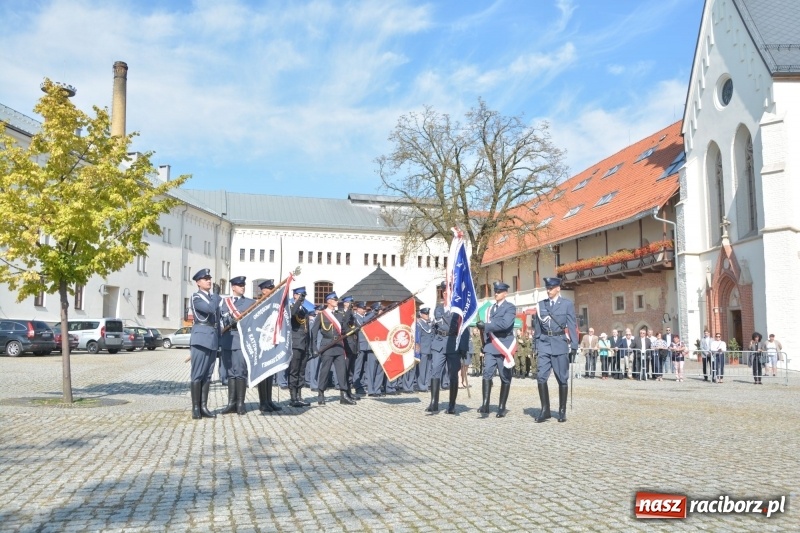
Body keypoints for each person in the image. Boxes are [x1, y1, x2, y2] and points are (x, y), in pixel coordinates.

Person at [532, 277, 578, 423]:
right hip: (544, 343)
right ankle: (545, 410)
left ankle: (562, 411)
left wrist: (574, 346)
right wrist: (535, 345)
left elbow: (572, 325)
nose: (548, 290)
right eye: (547, 288)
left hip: (560, 344)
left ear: (558, 288)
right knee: (541, 377)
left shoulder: (566, 304)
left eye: (551, 288)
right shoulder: (541, 305)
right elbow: (537, 328)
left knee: (562, 379)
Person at [476, 282, 516, 418]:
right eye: (495, 291)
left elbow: (505, 324)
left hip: (504, 345)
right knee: (487, 373)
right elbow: (487, 329)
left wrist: (486, 325)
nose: (496, 294)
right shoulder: (490, 309)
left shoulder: (510, 307)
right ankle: (485, 404)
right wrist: (484, 343)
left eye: (499, 292)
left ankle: (501, 407)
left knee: (505, 376)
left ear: (505, 293)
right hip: (491, 345)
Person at [310, 292, 357, 405]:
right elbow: (314, 332)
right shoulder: (322, 315)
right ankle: (321, 393)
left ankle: (343, 395)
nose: (337, 301)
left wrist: (350, 311)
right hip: (327, 345)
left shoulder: (339, 314)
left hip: (339, 345)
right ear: (329, 301)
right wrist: (314, 348)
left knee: (342, 371)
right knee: (325, 371)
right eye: (335, 299)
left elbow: (345, 326)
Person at [218, 276, 255, 415]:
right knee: (230, 373)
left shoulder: (250, 302)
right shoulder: (224, 303)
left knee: (240, 372)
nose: (242, 287)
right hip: (227, 339)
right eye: (239, 285)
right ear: (233, 287)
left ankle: (240, 403)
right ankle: (231, 403)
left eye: (243, 285)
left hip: (240, 339)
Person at [429, 281, 467, 414]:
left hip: (453, 344)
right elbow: (438, 327)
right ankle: (434, 402)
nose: (445, 294)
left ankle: (451, 405)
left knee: (453, 376)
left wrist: (464, 347)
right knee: (435, 372)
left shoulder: (459, 309)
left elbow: (464, 329)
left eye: (448, 292)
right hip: (439, 344)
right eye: (444, 292)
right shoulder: (438, 308)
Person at [189, 268, 220, 420]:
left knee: (207, 376)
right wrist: (216, 296)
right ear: (198, 283)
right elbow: (210, 309)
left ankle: (203, 406)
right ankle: (195, 408)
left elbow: (218, 318)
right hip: (201, 339)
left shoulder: (212, 297)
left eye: (210, 278)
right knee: (198, 374)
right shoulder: (196, 297)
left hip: (212, 339)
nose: (209, 280)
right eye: (205, 278)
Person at [253, 279, 284, 412]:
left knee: (270, 372)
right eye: (270, 289)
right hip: (262, 341)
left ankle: (269, 400)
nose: (272, 291)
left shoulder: (273, 304)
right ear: (263, 290)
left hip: (270, 341)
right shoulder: (258, 304)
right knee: (263, 372)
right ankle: (263, 402)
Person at [287, 285, 312, 407]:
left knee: (301, 371)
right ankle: (293, 397)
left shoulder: (305, 311)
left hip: (304, 345)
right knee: (294, 370)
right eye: (300, 295)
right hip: (295, 344)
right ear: (295, 295)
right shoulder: (292, 307)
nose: (302, 298)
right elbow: (291, 314)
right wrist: (298, 301)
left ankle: (299, 395)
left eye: (304, 296)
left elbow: (308, 331)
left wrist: (310, 347)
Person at [414, 307, 434, 393]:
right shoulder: (419, 324)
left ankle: (426, 384)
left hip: (430, 349)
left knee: (428, 368)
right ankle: (421, 386)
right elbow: (417, 337)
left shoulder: (429, 324)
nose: (427, 315)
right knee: (422, 369)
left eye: (428, 314)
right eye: (425, 314)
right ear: (421, 314)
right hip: (422, 349)